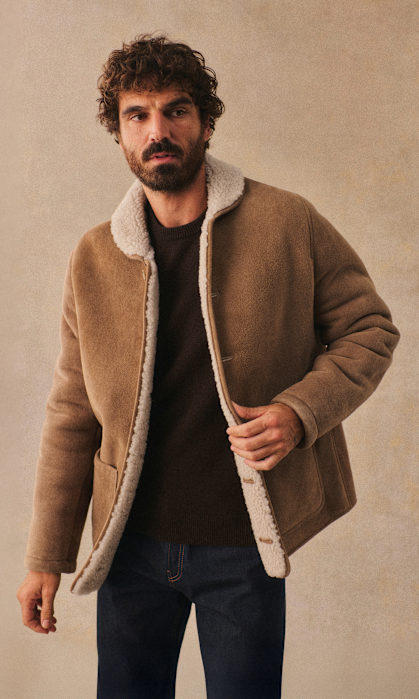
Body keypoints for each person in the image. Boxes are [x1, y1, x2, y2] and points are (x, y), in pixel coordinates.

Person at [17, 35, 399, 698]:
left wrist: (298, 413)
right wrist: (46, 556)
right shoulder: (95, 256)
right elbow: (73, 410)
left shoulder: (286, 221)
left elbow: (369, 330)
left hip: (243, 545)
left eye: (176, 110)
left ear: (206, 123)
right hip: (129, 548)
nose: (157, 131)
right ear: (118, 134)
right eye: (137, 115)